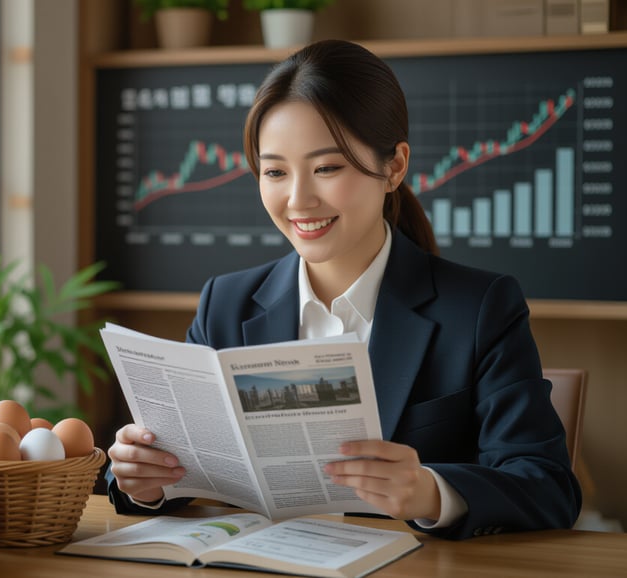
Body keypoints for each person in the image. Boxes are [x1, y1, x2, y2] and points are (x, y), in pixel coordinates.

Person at [105, 39, 581, 540]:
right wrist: (143, 480)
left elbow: (548, 486)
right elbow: (174, 464)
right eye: (275, 172)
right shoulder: (225, 304)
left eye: (327, 168)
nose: (298, 199)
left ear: (394, 166)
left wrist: (430, 492)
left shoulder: (480, 309)